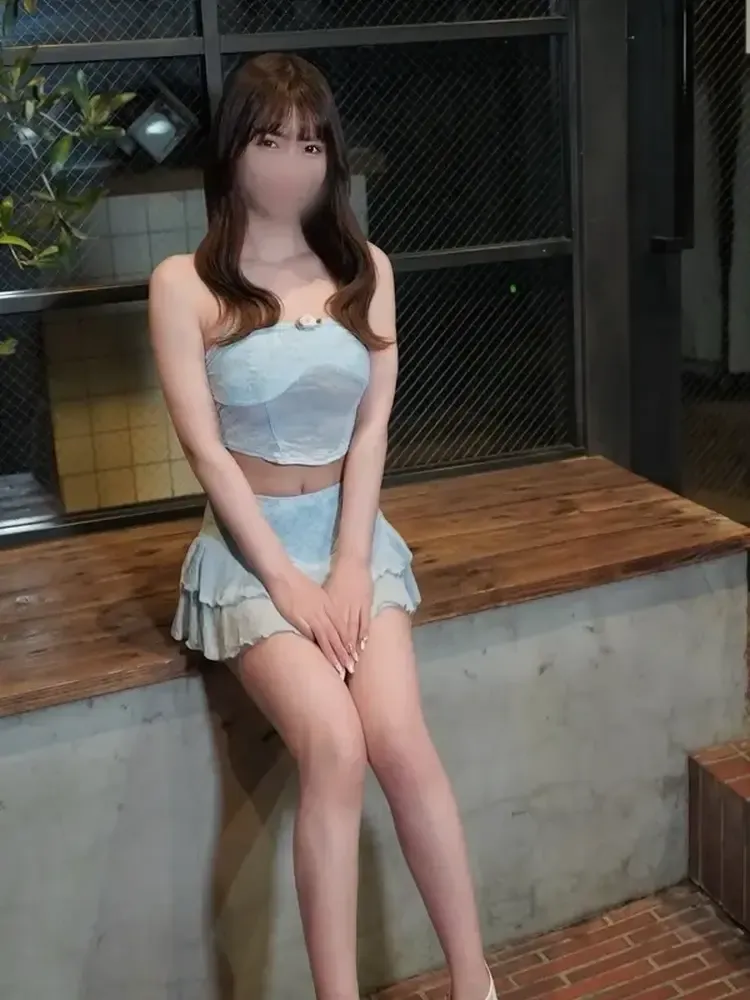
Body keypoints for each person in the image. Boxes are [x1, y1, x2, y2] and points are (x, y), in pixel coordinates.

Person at [148, 52, 497, 1000]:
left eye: (310, 145)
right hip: (250, 556)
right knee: (335, 747)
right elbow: (207, 454)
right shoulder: (185, 283)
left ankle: (476, 983)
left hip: (352, 540)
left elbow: (372, 428)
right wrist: (289, 585)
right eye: (271, 141)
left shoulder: (366, 268)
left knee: (400, 741)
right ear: (234, 149)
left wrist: (346, 566)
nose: (292, 165)